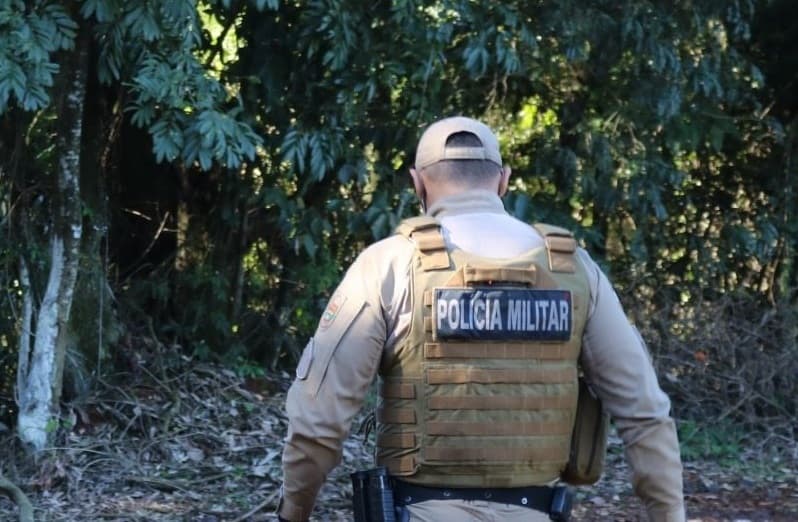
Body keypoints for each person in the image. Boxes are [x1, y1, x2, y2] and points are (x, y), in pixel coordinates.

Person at [277, 116, 685, 522]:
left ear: (417, 183)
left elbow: (318, 424)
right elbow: (645, 415)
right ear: (504, 181)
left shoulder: (390, 265)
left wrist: (292, 515)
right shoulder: (574, 270)